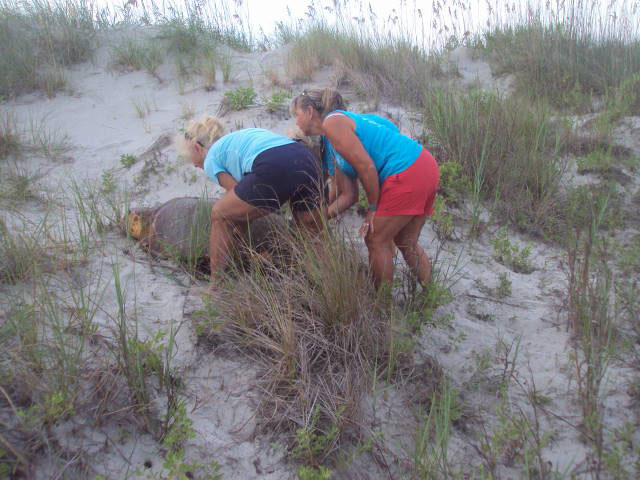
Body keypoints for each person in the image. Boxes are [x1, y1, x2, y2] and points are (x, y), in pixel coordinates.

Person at [291, 88, 440, 289]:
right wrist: (320, 216)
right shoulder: (335, 137)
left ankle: (381, 304)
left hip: (407, 171)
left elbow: (367, 166)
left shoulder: (333, 122)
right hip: (423, 165)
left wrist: (373, 208)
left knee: (375, 239)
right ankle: (430, 294)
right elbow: (349, 193)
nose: (296, 122)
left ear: (309, 111)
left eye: (297, 115)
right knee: (406, 241)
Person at [175, 115, 325, 281]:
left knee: (219, 215)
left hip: (274, 163)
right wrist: (239, 232)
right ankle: (323, 280)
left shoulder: (211, 158)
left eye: (192, 160)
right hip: (306, 158)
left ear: (197, 148)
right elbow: (247, 202)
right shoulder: (240, 140)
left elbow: (238, 198)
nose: (195, 165)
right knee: (310, 234)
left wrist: (235, 234)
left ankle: (215, 286)